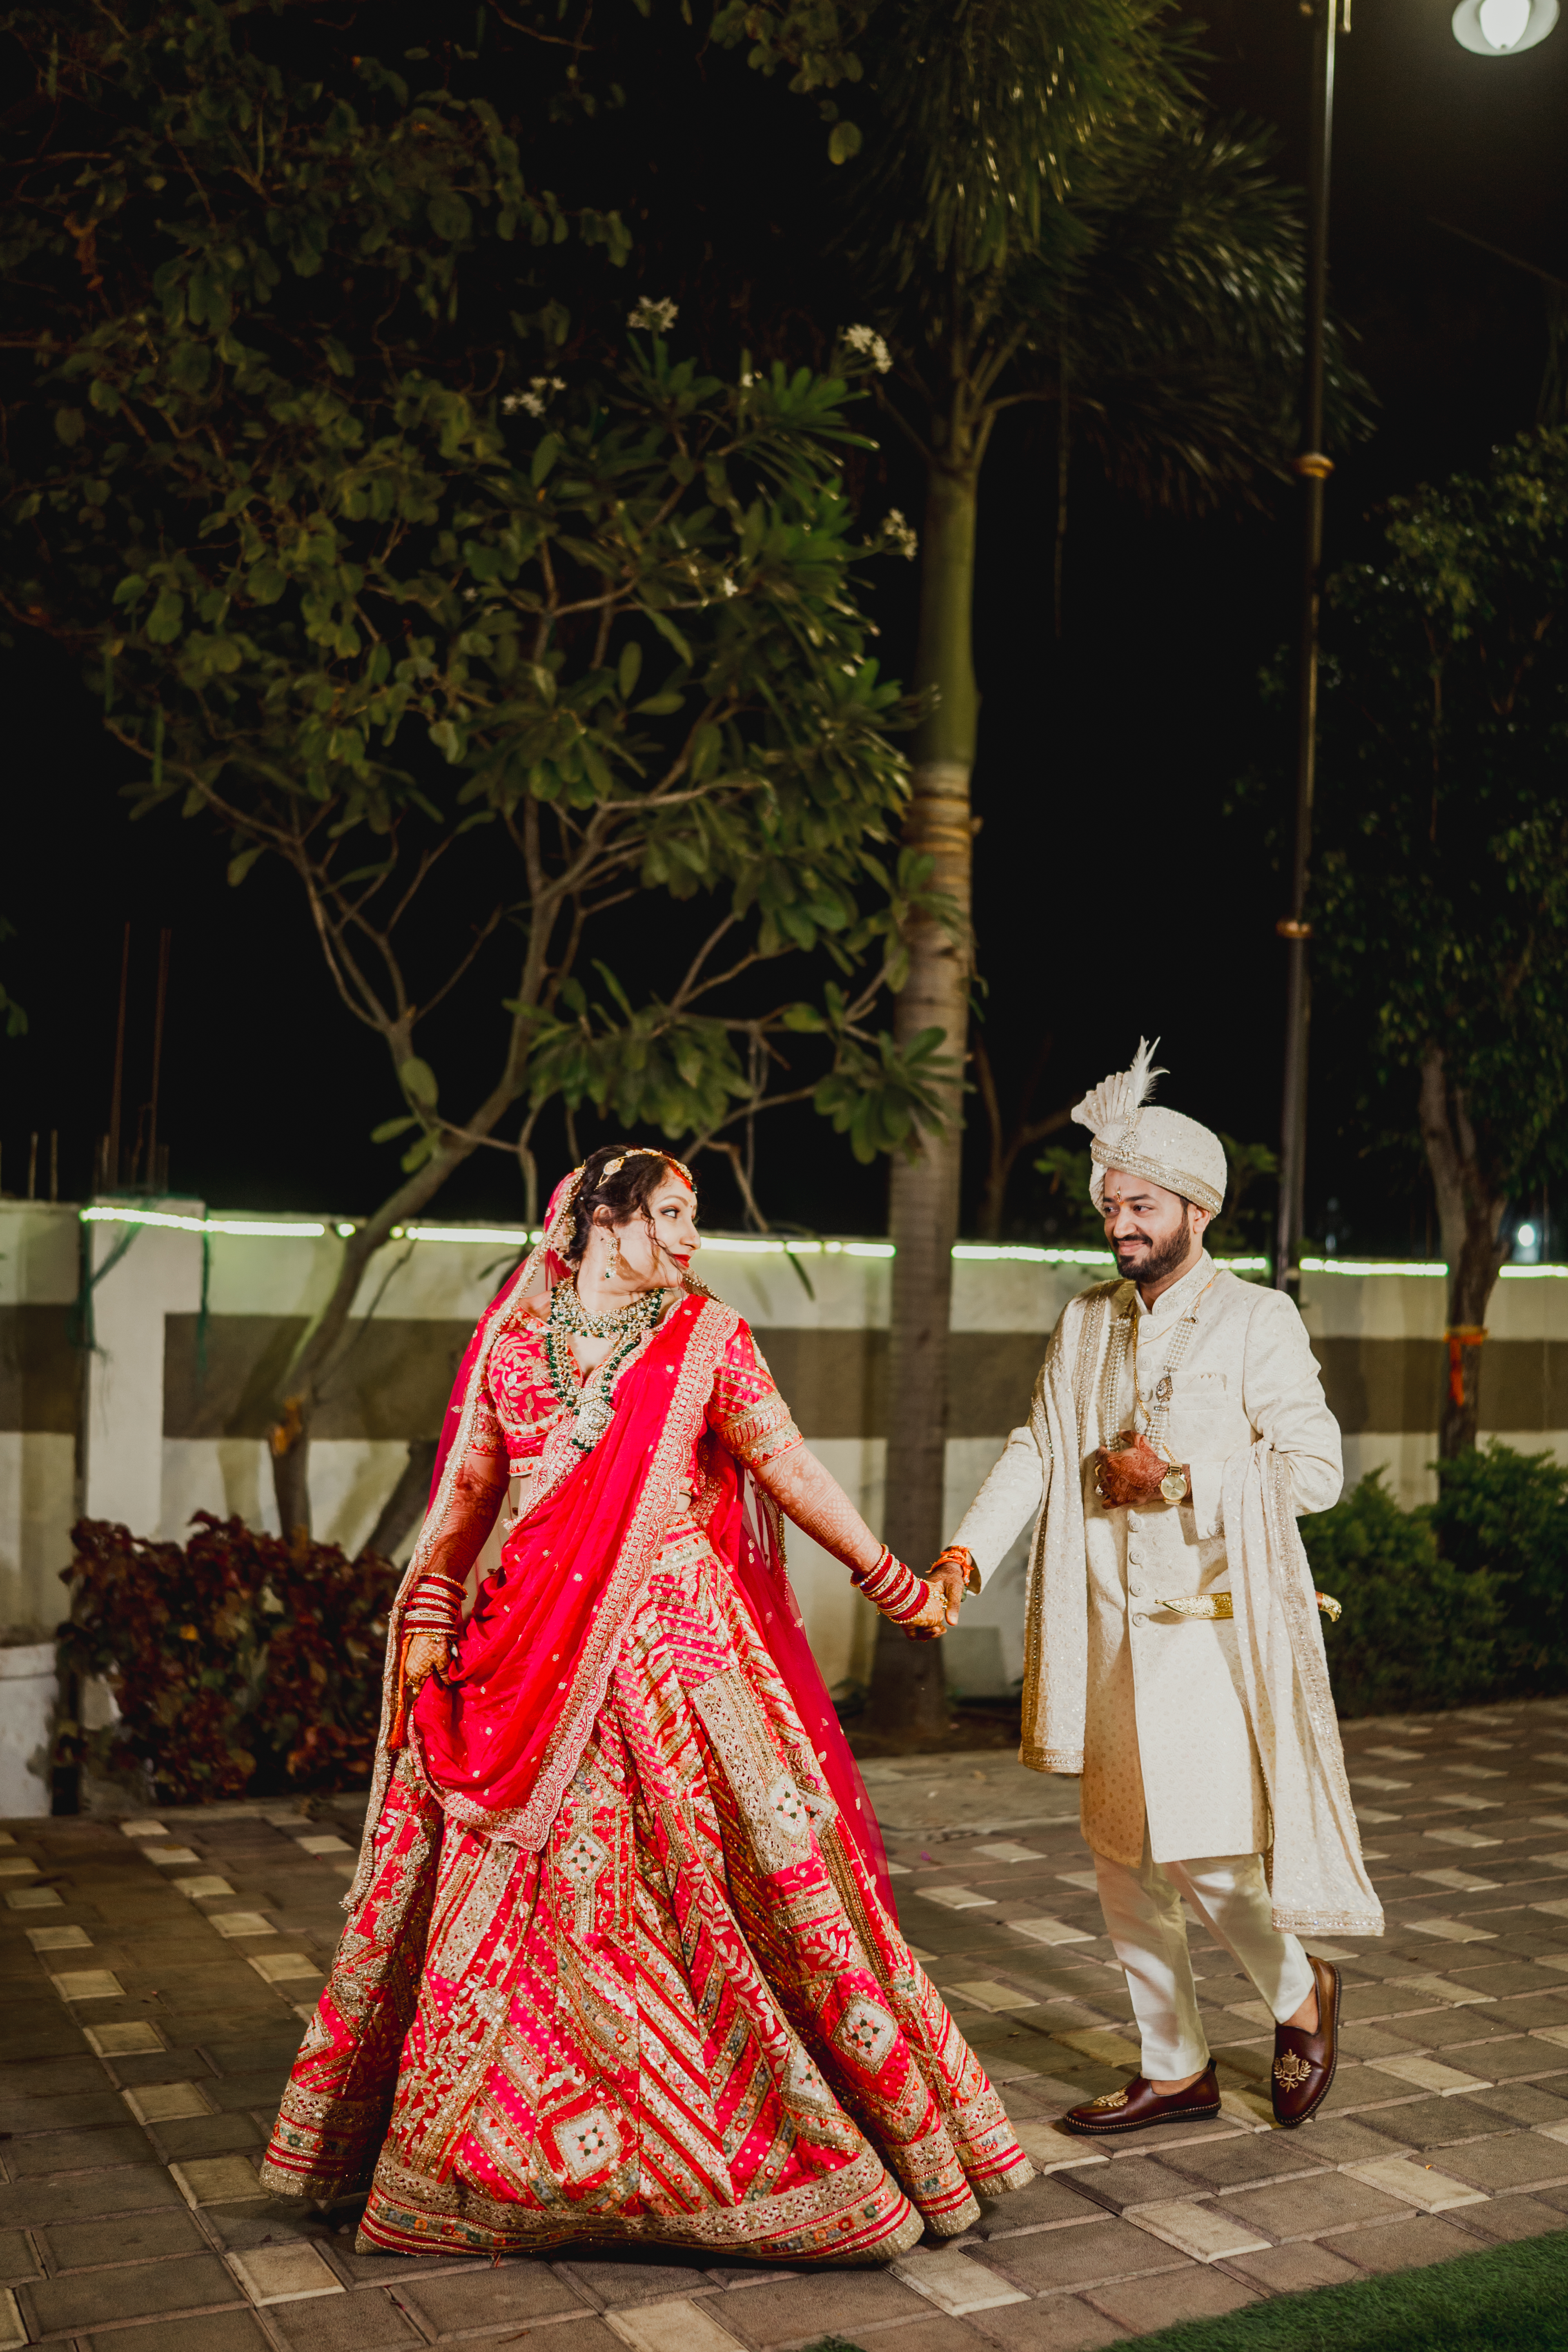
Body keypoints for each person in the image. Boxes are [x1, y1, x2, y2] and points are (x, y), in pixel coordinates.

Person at [263, 1145, 1032, 2261]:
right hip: (527, 1660)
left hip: (682, 1658)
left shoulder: (706, 1340)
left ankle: (756, 2154)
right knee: (530, 1918)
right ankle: (492, 2166)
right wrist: (430, 1614)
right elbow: (470, 1497)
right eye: (669, 1214)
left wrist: (891, 1577)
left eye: (695, 1215)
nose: (689, 1237)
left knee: (731, 1889)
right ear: (597, 1222)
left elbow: (790, 1469)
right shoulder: (512, 1349)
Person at [931, 1043, 1381, 2138]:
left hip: (1217, 1637)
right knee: (1123, 1855)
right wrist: (963, 1558)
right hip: (1112, 1639)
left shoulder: (1256, 1320)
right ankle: (1173, 2066)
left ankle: (1299, 1991)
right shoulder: (1088, 1323)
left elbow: (1316, 1472)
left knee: (1208, 1855)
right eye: (1111, 1205)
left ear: (1193, 1207)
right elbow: (1040, 1448)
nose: (1119, 1223)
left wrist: (1178, 1477)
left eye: (1140, 1204)